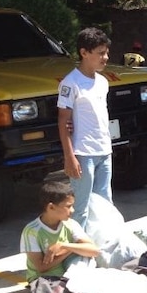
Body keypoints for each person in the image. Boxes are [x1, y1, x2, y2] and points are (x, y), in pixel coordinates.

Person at [57, 27, 114, 228]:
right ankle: (77, 254)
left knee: (105, 205)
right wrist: (69, 157)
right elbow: (63, 121)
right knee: (81, 208)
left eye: (106, 52)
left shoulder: (103, 82)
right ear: (84, 52)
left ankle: (103, 249)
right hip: (82, 153)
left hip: (104, 150)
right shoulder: (70, 83)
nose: (105, 57)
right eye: (100, 53)